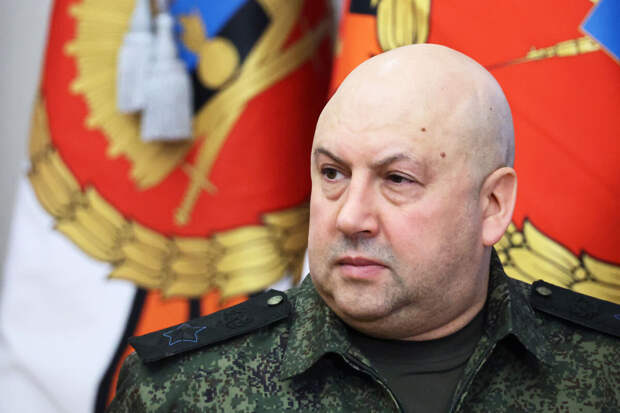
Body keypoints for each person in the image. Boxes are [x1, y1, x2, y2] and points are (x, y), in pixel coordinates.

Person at [107, 44, 620, 413]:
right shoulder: (180, 390)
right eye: (333, 173)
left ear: (491, 205)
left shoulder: (605, 373)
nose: (350, 217)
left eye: (397, 179)